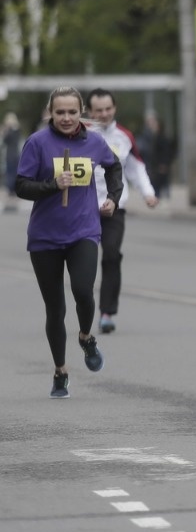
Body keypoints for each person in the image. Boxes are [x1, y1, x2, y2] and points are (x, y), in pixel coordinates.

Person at [15, 86, 123, 398]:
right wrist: (52, 184)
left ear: (81, 113)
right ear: (51, 112)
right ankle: (60, 371)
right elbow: (21, 185)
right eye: (59, 112)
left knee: (83, 291)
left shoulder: (94, 141)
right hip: (45, 236)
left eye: (72, 112)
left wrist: (113, 199)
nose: (66, 118)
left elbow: (114, 167)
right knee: (55, 309)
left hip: (83, 231)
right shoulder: (37, 143)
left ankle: (87, 337)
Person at [86, 88, 160, 334]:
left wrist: (148, 192)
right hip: (82, 209)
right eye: (99, 110)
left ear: (114, 108)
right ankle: (81, 310)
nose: (104, 114)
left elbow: (136, 168)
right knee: (82, 263)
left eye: (108, 109)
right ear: (90, 111)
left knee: (111, 255)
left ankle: (107, 312)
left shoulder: (124, 136)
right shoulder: (80, 135)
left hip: (114, 208)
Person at [142, 113, 176, 199]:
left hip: (160, 164)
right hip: (154, 163)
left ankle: (162, 197)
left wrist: (164, 163)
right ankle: (157, 196)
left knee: (162, 181)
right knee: (156, 181)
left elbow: (166, 152)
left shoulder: (162, 138)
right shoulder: (152, 136)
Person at [3, 112, 22, 212]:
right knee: (10, 174)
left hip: (13, 155)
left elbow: (9, 139)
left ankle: (13, 192)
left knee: (12, 174)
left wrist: (8, 130)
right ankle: (11, 192)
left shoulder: (14, 130)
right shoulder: (12, 130)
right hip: (11, 155)